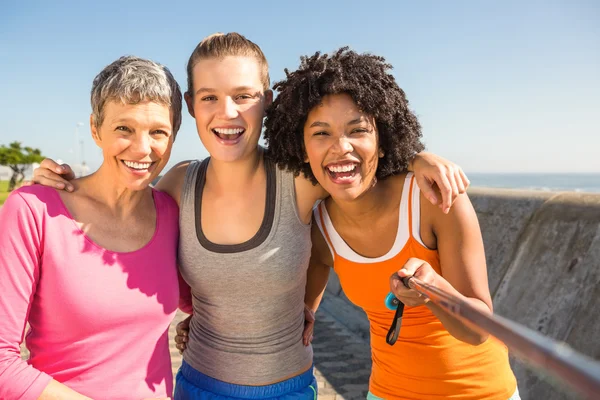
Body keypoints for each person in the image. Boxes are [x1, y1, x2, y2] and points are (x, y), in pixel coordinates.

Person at [31, 33, 469, 399]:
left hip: (288, 388)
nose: (228, 113)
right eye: (210, 98)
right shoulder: (177, 186)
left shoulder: (298, 180)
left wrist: (419, 158)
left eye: (243, 96)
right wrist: (61, 181)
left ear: (267, 101)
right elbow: (116, 208)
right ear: (191, 105)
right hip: (195, 386)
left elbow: (355, 162)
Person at [261, 47, 520, 399]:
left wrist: (434, 292)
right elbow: (318, 264)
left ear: (382, 141)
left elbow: (478, 330)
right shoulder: (319, 225)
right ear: (302, 148)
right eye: (321, 133)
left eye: (358, 130)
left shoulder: (435, 201)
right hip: (385, 392)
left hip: (479, 392)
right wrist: (303, 310)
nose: (341, 147)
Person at [0, 56, 184, 399]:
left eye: (158, 131)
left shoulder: (172, 214)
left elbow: (203, 299)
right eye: (124, 128)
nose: (142, 149)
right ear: (95, 129)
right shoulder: (32, 210)